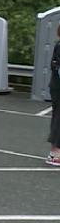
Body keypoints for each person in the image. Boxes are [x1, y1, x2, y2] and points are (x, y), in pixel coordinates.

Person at [47, 26, 60, 166]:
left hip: (57, 86)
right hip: (58, 87)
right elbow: (56, 66)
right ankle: (55, 153)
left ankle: (55, 151)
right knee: (58, 119)